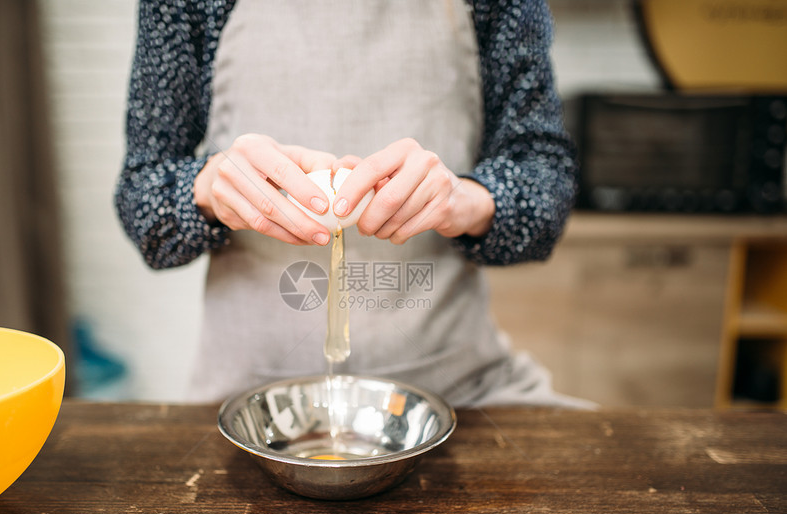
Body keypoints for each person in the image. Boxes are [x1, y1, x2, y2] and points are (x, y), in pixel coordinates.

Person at [115, 0, 594, 408]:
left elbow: (547, 187)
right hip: (255, 401)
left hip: (459, 395)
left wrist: (464, 200)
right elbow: (141, 201)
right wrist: (204, 188)